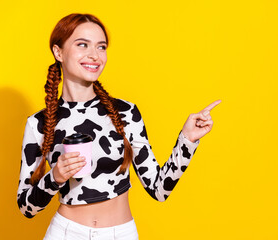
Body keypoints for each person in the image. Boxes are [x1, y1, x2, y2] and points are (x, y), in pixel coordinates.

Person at [16, 13, 221, 240]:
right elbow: (26, 208)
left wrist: (187, 140)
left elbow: (159, 189)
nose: (94, 55)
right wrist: (55, 176)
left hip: (120, 234)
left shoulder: (126, 113)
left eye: (101, 47)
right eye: (82, 44)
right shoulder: (39, 123)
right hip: (65, 233)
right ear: (58, 52)